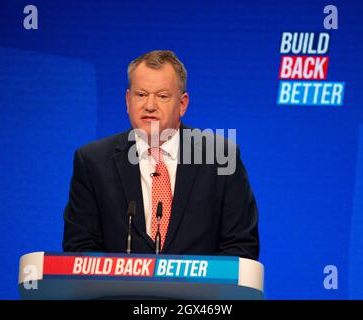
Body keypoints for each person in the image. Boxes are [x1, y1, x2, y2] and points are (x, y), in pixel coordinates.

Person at [63, 50, 260, 260]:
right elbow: (80, 248)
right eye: (141, 94)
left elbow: (241, 246)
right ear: (128, 100)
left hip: (199, 292)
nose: (150, 105)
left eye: (162, 96)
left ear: (182, 104)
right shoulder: (93, 162)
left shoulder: (219, 157)